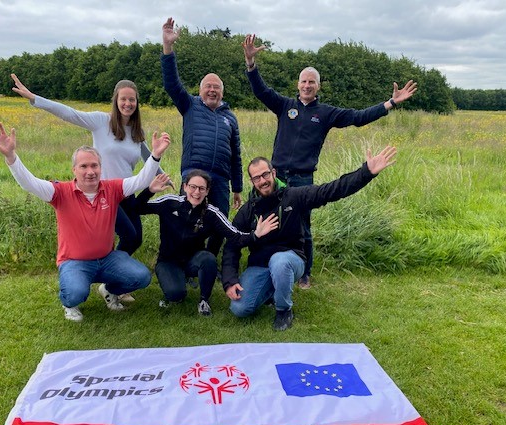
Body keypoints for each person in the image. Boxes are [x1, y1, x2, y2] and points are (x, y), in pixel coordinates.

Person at [242, 34, 417, 289]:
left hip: (302, 178)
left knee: (303, 226)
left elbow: (358, 117)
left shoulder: (326, 113)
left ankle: (304, 273)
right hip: (275, 176)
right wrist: (250, 63)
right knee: (264, 218)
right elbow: (260, 90)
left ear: (318, 86)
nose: (307, 85)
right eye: (303, 81)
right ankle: (260, 263)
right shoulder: (284, 106)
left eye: (312, 82)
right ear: (297, 83)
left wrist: (390, 103)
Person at [0, 122, 171, 322]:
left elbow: (140, 180)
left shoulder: (112, 189)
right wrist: (11, 157)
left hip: (107, 259)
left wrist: (155, 156)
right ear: (74, 169)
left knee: (141, 277)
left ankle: (109, 290)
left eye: (94, 165)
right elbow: (28, 182)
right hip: (74, 262)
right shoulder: (60, 192)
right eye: (84, 166)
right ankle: (70, 304)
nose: (90, 171)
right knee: (75, 294)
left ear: (101, 168)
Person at [10, 74, 169, 302]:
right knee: (130, 234)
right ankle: (110, 282)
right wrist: (35, 99)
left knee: (135, 239)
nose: (127, 104)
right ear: (115, 100)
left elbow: (147, 154)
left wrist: (162, 176)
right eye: (123, 99)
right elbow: (69, 113)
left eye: (132, 100)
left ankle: (113, 279)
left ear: (137, 103)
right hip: (104, 193)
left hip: (126, 191)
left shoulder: (136, 132)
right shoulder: (100, 121)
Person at [221, 146, 397, 331]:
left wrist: (366, 172)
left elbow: (332, 190)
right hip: (260, 265)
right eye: (257, 178)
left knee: (279, 262)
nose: (262, 181)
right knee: (239, 308)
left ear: (273, 172)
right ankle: (272, 289)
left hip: (290, 259)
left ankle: (283, 309)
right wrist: (230, 281)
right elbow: (232, 246)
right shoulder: (248, 210)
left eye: (265, 175)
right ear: (252, 181)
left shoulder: (295, 196)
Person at [136, 170, 278, 316]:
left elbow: (235, 236)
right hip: (168, 261)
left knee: (208, 258)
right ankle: (175, 283)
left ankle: (204, 300)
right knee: (175, 295)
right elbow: (137, 208)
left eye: (201, 188)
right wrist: (149, 190)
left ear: (207, 191)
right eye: (192, 187)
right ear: (185, 187)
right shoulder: (169, 203)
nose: (196, 192)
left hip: (193, 260)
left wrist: (256, 235)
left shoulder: (211, 213)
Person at [161, 17, 243, 256]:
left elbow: (236, 156)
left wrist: (237, 187)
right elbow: (171, 84)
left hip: (220, 179)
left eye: (216, 87)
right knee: (187, 218)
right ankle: (185, 260)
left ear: (222, 92)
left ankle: (209, 259)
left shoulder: (231, 118)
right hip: (193, 173)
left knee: (221, 221)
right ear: (200, 90)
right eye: (208, 86)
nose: (212, 90)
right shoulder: (190, 105)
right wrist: (168, 48)